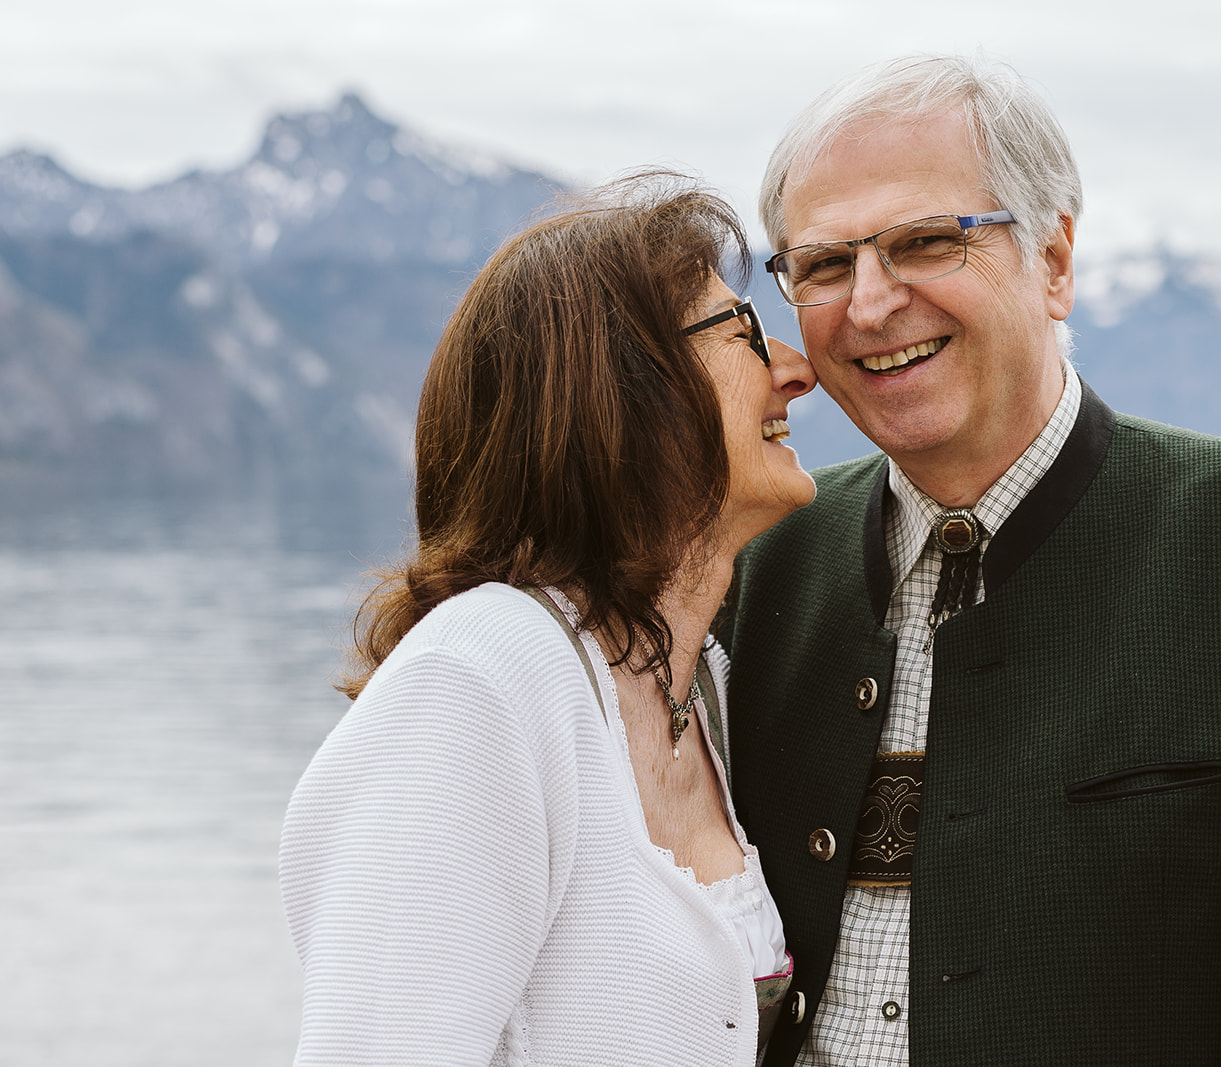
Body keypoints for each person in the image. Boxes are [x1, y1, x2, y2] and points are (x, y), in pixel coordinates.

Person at [721, 56, 1221, 1066]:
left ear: (1054, 258)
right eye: (825, 265)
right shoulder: (754, 561)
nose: (869, 305)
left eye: (924, 242)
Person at [279, 174, 818, 1066]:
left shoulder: (703, 682)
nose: (796, 369)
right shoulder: (480, 680)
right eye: (745, 333)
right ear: (624, 392)